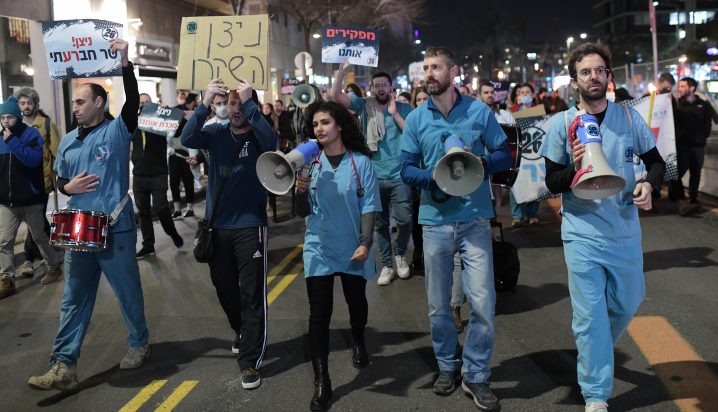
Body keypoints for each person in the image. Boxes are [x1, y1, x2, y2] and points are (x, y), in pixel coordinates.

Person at [540, 42, 666, 412]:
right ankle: (596, 393)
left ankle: (592, 352)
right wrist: (575, 169)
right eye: (585, 72)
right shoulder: (561, 124)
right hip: (582, 234)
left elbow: (656, 163)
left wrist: (648, 185)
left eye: (600, 71)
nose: (594, 77)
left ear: (609, 77)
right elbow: (551, 181)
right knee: (590, 316)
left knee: (628, 303)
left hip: (624, 231)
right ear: (574, 80)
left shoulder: (628, 118)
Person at [28, 38, 151, 391]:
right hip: (79, 230)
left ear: (99, 103)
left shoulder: (117, 130)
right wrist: (67, 189)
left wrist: (125, 62)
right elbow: (62, 178)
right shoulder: (67, 140)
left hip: (115, 229)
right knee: (73, 298)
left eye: (81, 101)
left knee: (128, 293)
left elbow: (131, 104)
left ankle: (139, 342)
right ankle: (63, 364)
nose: (75, 107)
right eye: (73, 102)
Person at [401, 46, 510, 411]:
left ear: (453, 71)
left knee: (483, 302)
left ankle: (476, 375)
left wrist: (479, 162)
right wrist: (433, 179)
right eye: (425, 68)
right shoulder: (417, 118)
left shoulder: (479, 111)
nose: (428, 74)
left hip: (475, 220)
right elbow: (405, 168)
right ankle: (447, 366)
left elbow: (503, 154)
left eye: (435, 67)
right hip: (434, 223)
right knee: (438, 306)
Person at [181, 77, 278, 390]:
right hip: (218, 227)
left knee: (251, 294)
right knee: (224, 287)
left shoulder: (261, 135)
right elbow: (188, 136)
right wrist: (205, 100)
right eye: (231, 103)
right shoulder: (214, 132)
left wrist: (252, 106)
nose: (235, 109)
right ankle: (242, 330)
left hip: (251, 226)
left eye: (241, 103)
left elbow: (273, 141)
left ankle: (249, 361)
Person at [294, 101, 380, 411]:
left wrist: (366, 242)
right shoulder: (310, 163)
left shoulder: (360, 162)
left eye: (325, 122)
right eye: (315, 124)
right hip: (318, 245)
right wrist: (300, 190)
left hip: (353, 246)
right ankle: (322, 381)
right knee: (319, 315)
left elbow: (369, 205)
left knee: (356, 304)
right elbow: (301, 211)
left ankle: (358, 338)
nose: (319, 128)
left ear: (339, 126)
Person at [332, 62, 413, 285]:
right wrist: (342, 70)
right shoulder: (364, 106)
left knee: (405, 220)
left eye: (384, 85)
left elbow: (412, 135)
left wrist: (395, 114)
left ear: (391, 88)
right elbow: (336, 95)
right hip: (373, 175)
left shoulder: (404, 108)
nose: (380, 89)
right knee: (380, 223)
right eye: (376, 85)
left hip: (399, 175)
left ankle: (400, 254)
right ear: (371, 88)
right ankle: (387, 264)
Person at [0, 96, 63, 299]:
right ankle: (7, 279)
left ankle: (53, 266)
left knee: (39, 237)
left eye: (10, 116)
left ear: (17, 117)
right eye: (3, 117)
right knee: (4, 241)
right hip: (7, 201)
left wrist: (11, 140)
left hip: (31, 199)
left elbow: (32, 159)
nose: (6, 121)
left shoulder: (31, 134)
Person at [14, 87, 62, 278]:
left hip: (42, 181)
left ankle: (28, 258)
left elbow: (56, 151)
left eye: (29, 103)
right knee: (37, 220)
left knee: (37, 217)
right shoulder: (14, 125)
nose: (26, 106)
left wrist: (60, 176)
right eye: (23, 103)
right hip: (20, 181)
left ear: (35, 104)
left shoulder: (46, 123)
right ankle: (50, 248)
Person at [132, 93, 184, 258]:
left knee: (161, 207)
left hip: (158, 173)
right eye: (140, 103)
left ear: (153, 104)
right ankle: (148, 245)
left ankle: (172, 233)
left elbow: (177, 132)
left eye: (147, 102)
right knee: (143, 212)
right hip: (139, 174)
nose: (143, 105)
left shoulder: (160, 120)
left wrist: (172, 116)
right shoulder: (133, 123)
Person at [672, 77, 713, 216]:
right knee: (677, 174)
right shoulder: (678, 105)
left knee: (696, 174)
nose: (680, 88)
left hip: (698, 147)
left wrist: (703, 137)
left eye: (683, 86)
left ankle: (693, 200)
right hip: (682, 146)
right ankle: (680, 199)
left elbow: (709, 122)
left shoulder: (703, 104)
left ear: (692, 88)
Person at [509, 83, 541, 226]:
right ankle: (517, 215)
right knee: (515, 183)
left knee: (534, 183)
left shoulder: (539, 112)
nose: (524, 94)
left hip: (534, 153)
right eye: (521, 92)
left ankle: (532, 214)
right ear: (517, 95)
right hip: (517, 154)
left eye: (527, 92)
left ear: (533, 95)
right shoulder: (510, 112)